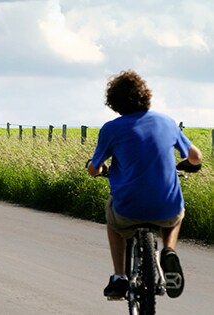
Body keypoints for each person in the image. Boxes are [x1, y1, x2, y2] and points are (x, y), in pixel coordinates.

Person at [87, 69, 203, 300]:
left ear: (114, 102)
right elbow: (196, 157)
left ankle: (119, 276)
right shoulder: (167, 123)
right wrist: (187, 164)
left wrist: (99, 168)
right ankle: (169, 251)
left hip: (128, 209)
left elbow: (94, 169)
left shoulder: (111, 128)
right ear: (145, 96)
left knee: (113, 221)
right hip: (165, 209)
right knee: (176, 214)